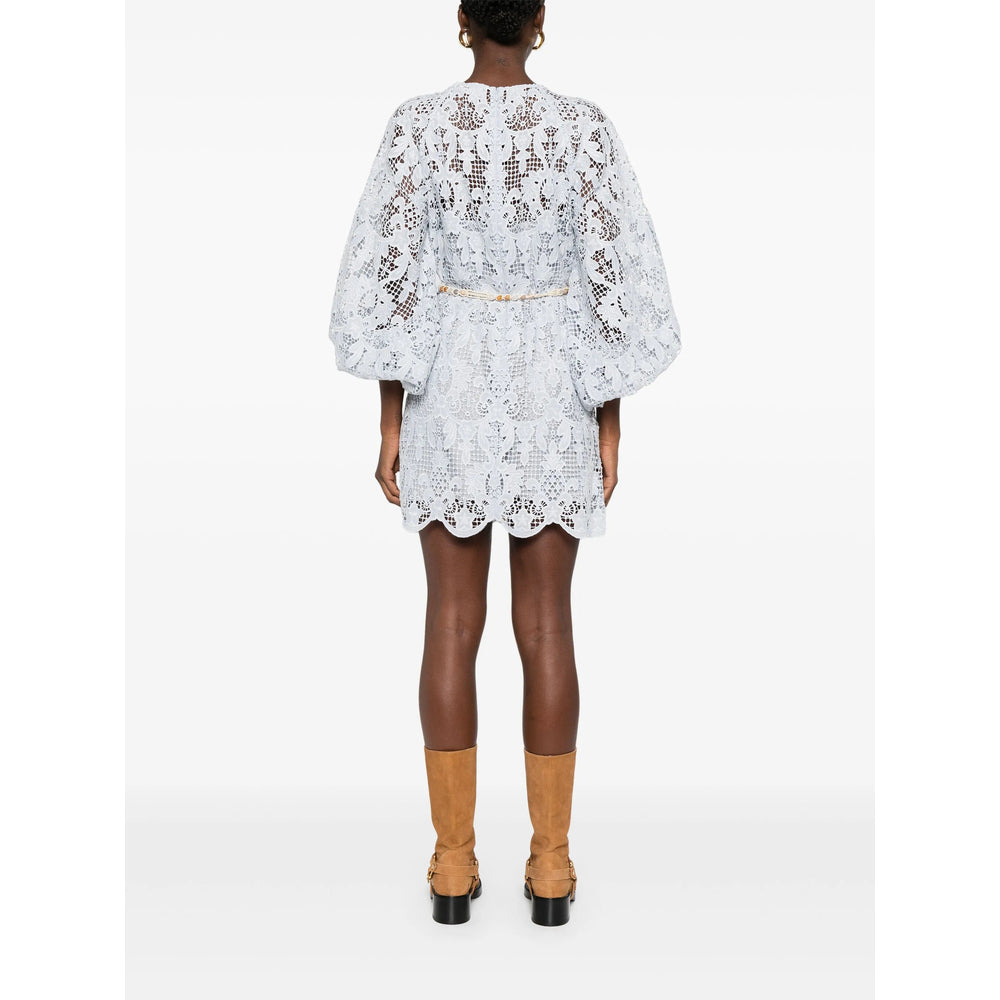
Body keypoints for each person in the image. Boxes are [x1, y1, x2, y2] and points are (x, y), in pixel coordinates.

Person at [328, 1, 681, 926]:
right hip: (553, 394)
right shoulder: (582, 129)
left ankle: (452, 865)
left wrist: (390, 417)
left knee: (450, 624)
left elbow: (393, 281)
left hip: (446, 390)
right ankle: (552, 867)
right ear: (538, 21)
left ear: (462, 22)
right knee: (548, 628)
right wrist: (608, 420)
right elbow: (613, 282)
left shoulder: (416, 126)